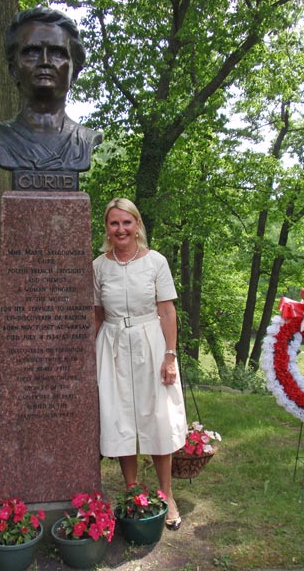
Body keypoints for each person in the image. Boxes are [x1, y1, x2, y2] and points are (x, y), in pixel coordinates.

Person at [93, 197, 187, 530]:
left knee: (157, 418)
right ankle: (133, 493)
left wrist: (170, 355)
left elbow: (167, 311)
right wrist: (89, 358)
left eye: (126, 222)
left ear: (137, 225)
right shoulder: (99, 266)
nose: (121, 229)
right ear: (107, 227)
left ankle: (166, 495)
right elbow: (97, 315)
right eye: (114, 223)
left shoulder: (155, 262)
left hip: (151, 343)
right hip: (113, 344)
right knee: (119, 418)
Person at [0, 6, 102, 172]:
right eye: (32, 51)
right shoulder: (3, 136)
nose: (45, 61)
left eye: (57, 53)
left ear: (74, 74)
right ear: (13, 71)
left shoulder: (83, 140)